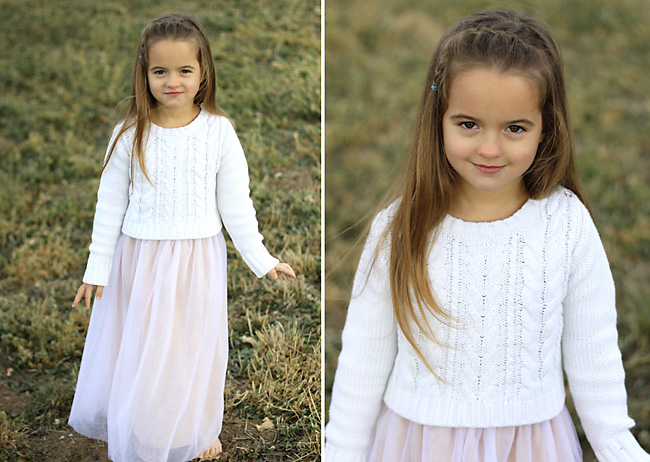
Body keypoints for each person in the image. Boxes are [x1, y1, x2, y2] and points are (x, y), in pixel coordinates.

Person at [325, 10, 650, 462]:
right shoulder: (400, 228)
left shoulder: (566, 225)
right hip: (417, 445)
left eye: (515, 128)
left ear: (546, 127)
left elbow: (593, 351)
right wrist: (340, 452)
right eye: (468, 124)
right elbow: (364, 356)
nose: (490, 149)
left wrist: (616, 444)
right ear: (437, 118)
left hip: (531, 446)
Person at [68, 13, 295, 462]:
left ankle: (191, 428)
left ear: (203, 72)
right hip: (141, 259)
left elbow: (236, 204)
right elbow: (109, 206)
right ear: (145, 73)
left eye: (184, 71)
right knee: (146, 345)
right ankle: (141, 423)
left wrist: (261, 258)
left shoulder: (218, 132)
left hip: (197, 261)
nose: (173, 81)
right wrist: (97, 269)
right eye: (160, 71)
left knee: (188, 347)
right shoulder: (129, 134)